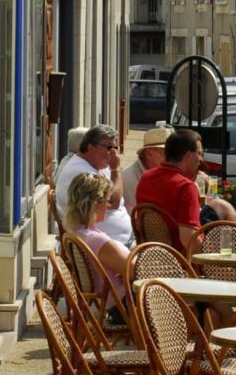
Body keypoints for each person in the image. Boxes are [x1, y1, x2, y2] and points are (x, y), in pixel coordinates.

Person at [55, 124, 134, 249]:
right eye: (108, 147)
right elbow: (113, 201)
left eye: (115, 147)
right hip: (104, 246)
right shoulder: (81, 172)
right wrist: (116, 169)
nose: (113, 152)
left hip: (119, 240)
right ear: (90, 147)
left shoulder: (98, 165)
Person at [64, 172, 130, 310]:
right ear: (96, 203)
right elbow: (136, 270)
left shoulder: (77, 233)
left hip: (113, 303)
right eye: (107, 200)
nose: (108, 206)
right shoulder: (97, 241)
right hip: (125, 306)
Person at [134, 128, 205, 253]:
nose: (201, 160)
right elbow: (189, 239)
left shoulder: (146, 177)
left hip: (151, 257)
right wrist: (212, 260)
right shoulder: (186, 187)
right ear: (188, 156)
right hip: (181, 262)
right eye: (199, 154)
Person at [122, 127, 168, 209]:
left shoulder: (164, 172)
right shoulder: (128, 177)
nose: (170, 158)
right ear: (149, 153)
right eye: (165, 153)